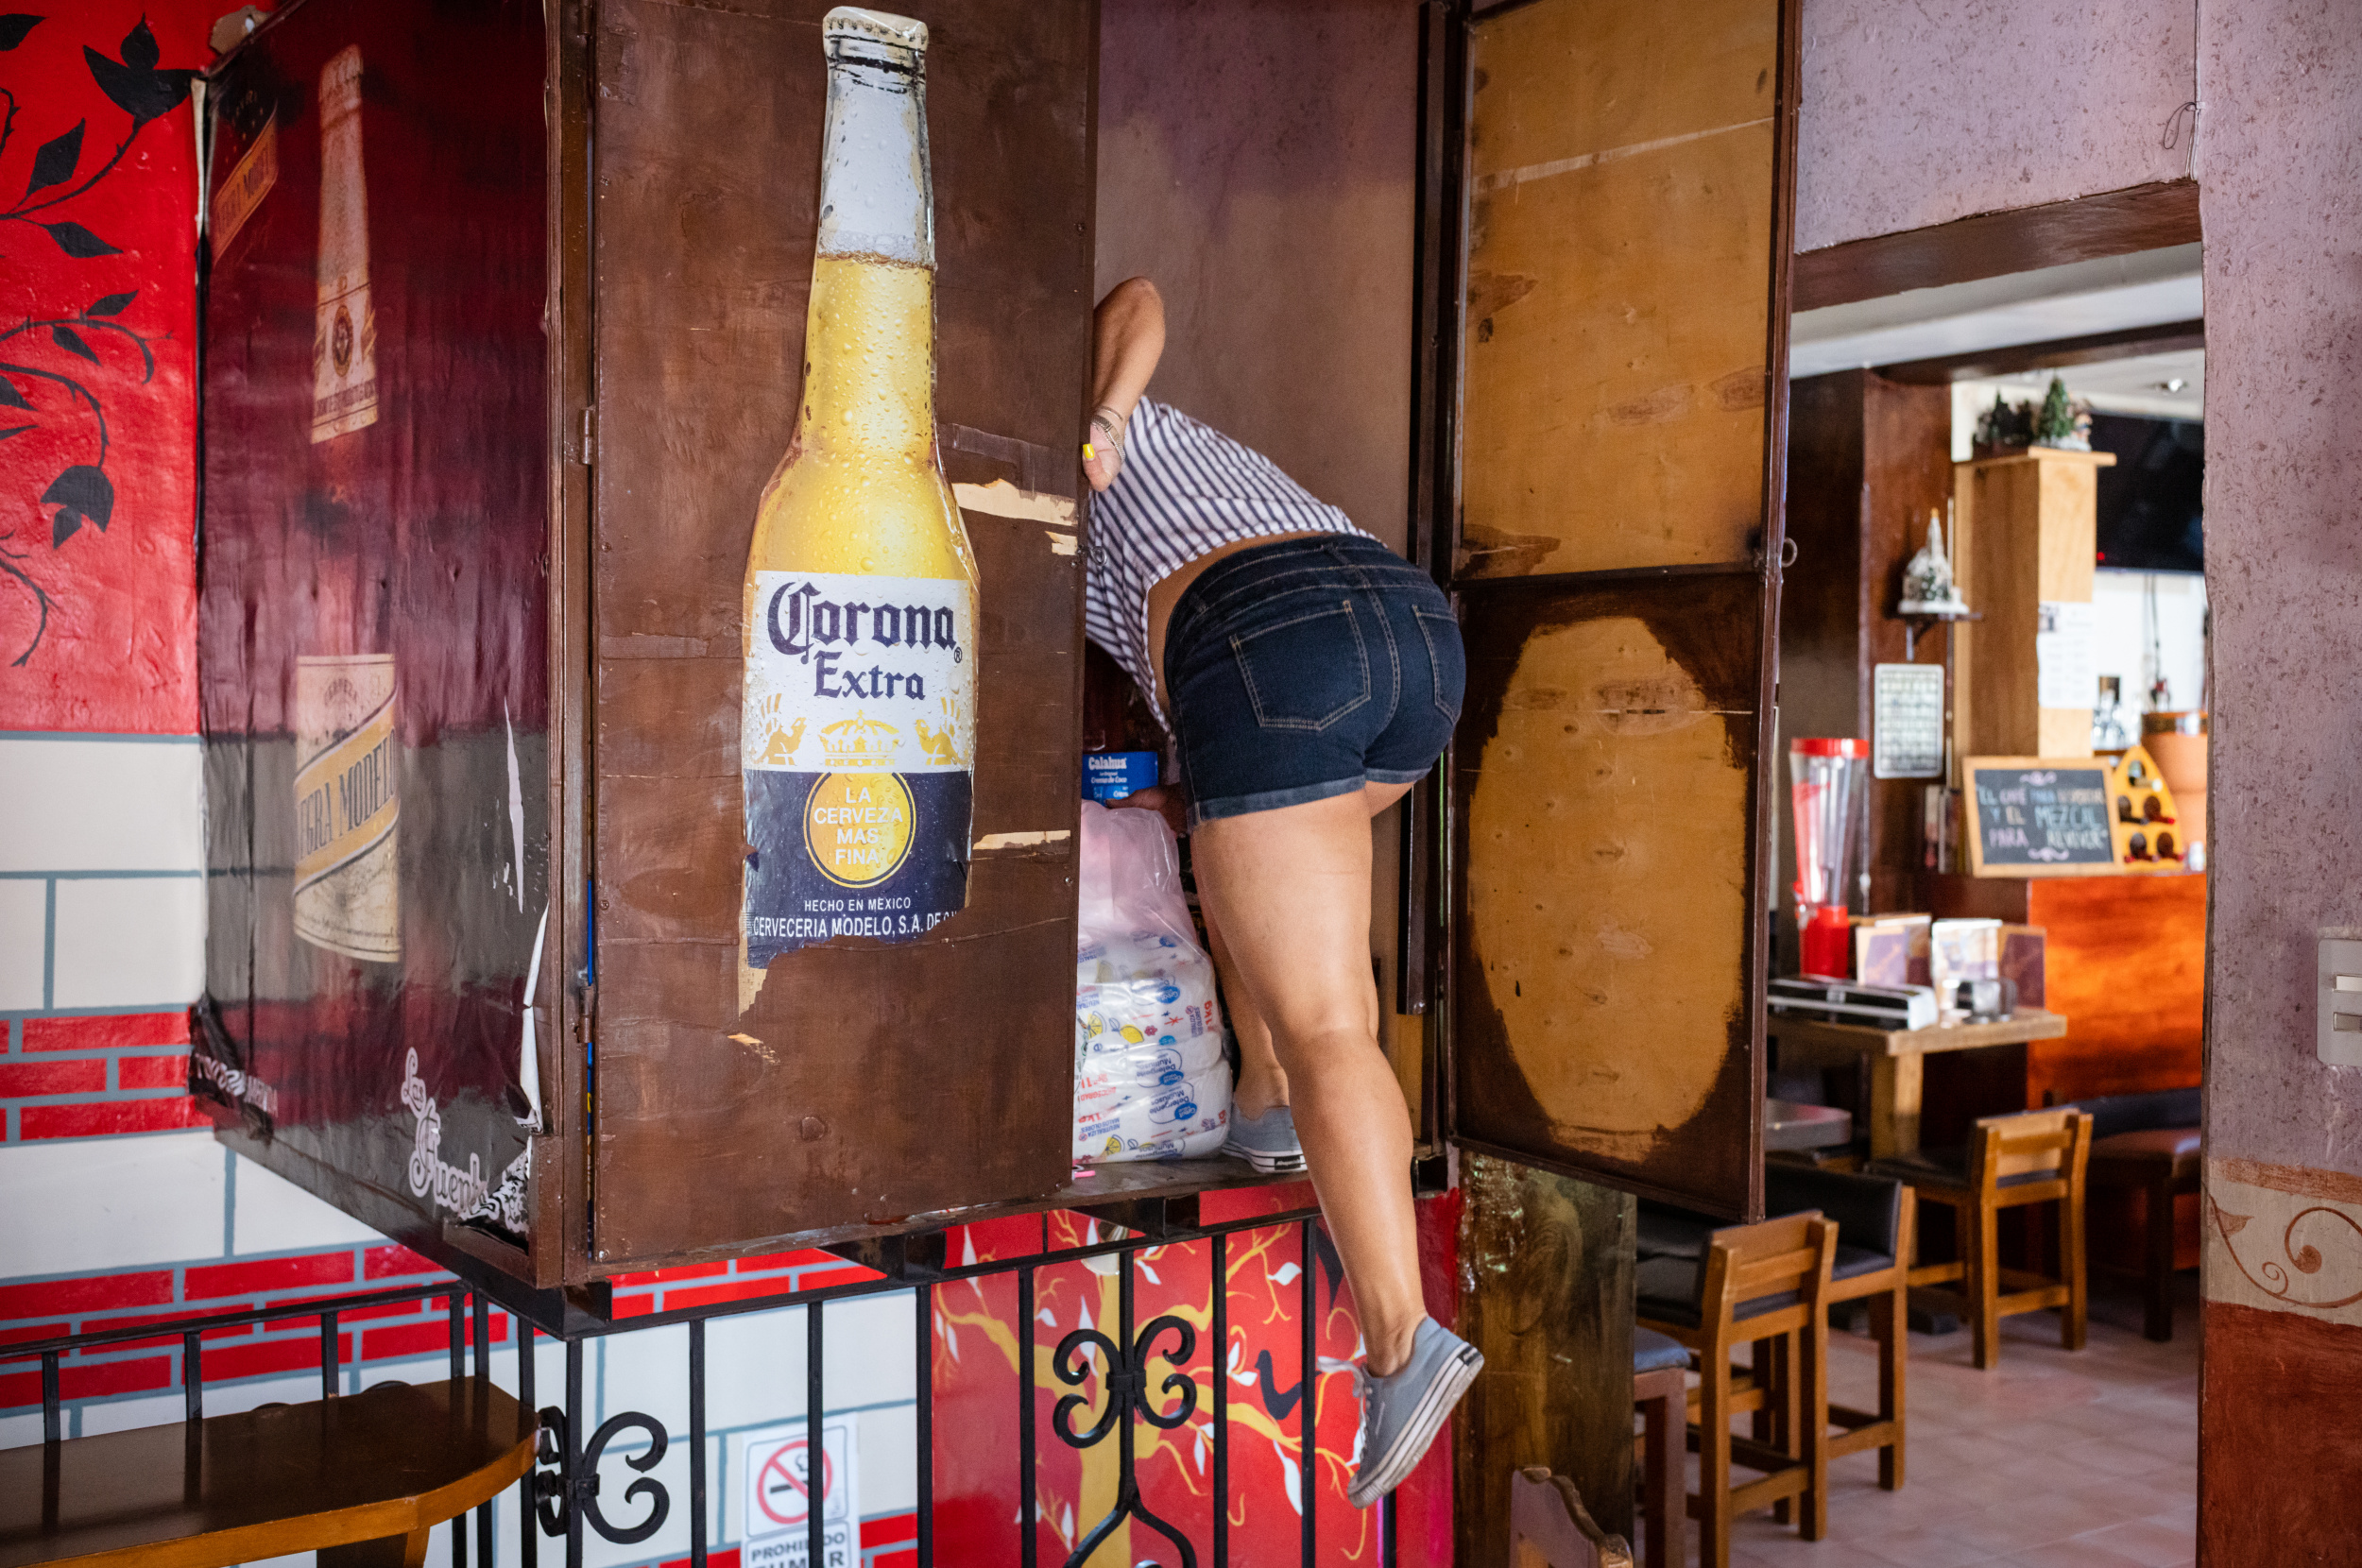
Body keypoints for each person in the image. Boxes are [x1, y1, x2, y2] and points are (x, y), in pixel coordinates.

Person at [1080, 277, 1480, 1508]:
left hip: (1264, 636)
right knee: (1251, 884)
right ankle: (1263, 1103)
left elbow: (1138, 297)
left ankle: (1402, 1341)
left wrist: (1097, 425)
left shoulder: (1074, 410)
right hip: (1411, 638)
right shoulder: (1142, 481)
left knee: (1328, 1023)